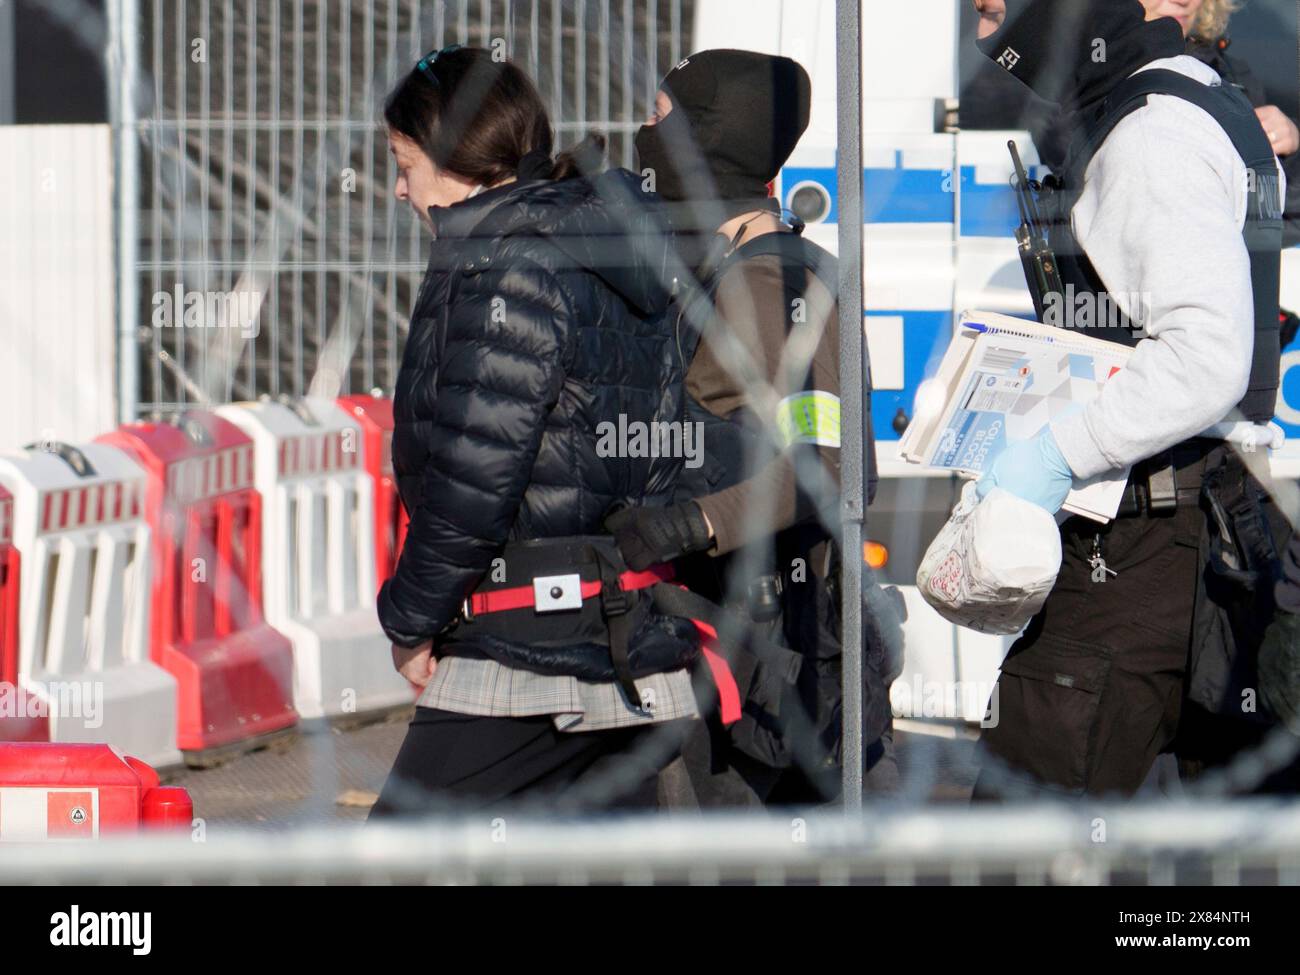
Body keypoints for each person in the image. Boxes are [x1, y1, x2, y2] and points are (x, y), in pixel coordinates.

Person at [967, 0, 1289, 797]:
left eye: (994, 10)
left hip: (1142, 540)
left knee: (1017, 837)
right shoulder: (1187, 96)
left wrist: (1048, 456)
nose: (982, 34)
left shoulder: (1149, 129)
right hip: (1201, 523)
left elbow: (1206, 354)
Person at [368, 45, 700, 815]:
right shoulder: (595, 243)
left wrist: (410, 622)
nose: (397, 187)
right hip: (621, 625)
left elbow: (475, 477)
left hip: (532, 645)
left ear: (456, 159)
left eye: (404, 161)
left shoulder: (503, 264)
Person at [606, 50, 901, 807]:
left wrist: (687, 523)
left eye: (659, 119)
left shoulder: (769, 285)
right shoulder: (748, 267)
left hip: (761, 656)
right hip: (753, 645)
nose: (642, 135)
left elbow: (828, 467)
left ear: (708, 142)